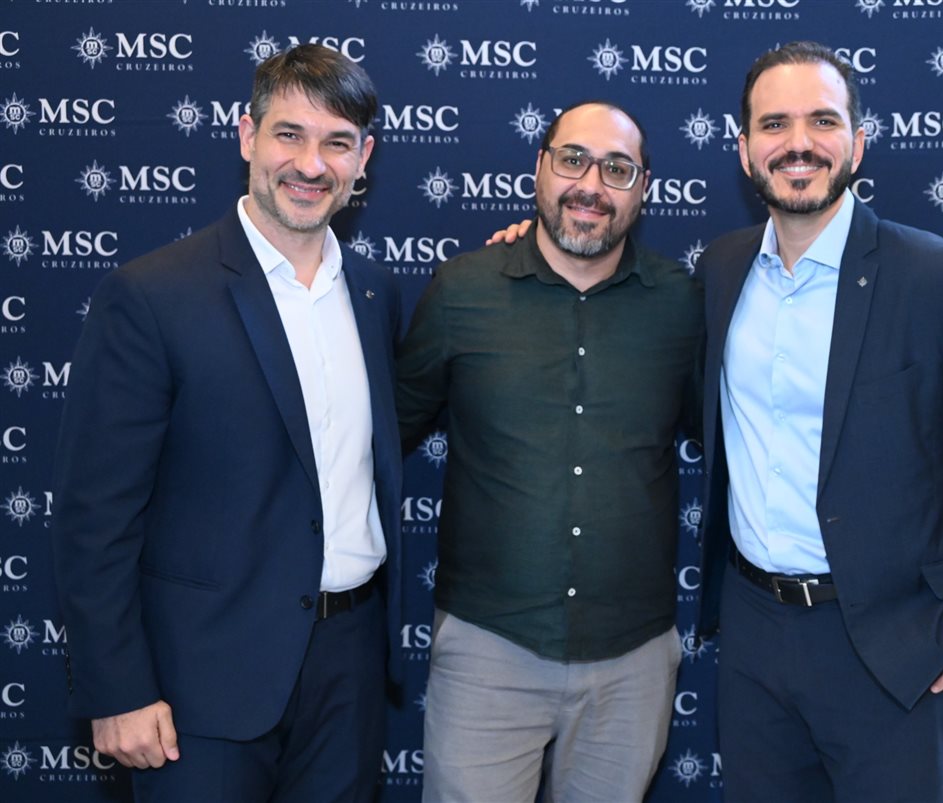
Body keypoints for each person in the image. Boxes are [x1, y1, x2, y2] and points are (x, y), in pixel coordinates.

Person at [691, 41, 943, 802]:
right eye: (774, 124)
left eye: (822, 120)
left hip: (895, 644)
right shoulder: (721, 267)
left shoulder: (938, 276)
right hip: (752, 639)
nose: (797, 142)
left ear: (858, 143)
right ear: (744, 151)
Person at [50, 44, 405, 802]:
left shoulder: (374, 292)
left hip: (348, 668)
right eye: (289, 135)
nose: (311, 164)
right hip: (197, 685)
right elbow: (95, 513)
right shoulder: (151, 296)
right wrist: (117, 687)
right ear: (247, 136)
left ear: (363, 157)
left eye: (337, 143)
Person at [394, 101, 702, 803]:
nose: (591, 184)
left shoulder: (684, 305)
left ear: (645, 187)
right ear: (539, 167)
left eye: (617, 169)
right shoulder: (462, 290)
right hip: (488, 648)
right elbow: (384, 440)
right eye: (573, 159)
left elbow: (734, 440)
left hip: (634, 659)